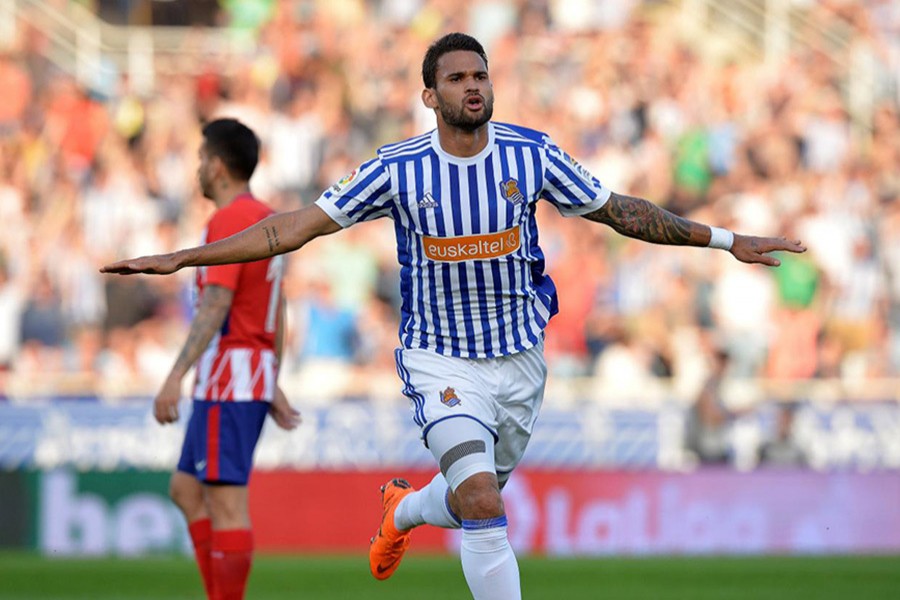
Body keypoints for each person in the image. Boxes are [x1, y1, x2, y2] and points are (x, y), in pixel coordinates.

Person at [102, 33, 805, 600]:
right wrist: (185, 256)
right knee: (479, 499)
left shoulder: (531, 155)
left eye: (481, 75)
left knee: (477, 497)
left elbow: (623, 212)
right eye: (459, 78)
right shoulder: (397, 168)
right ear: (429, 95)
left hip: (520, 360)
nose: (474, 86)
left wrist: (724, 239)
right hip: (440, 360)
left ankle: (402, 511)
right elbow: (294, 227)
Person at [148, 118, 301, 600]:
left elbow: (217, 304)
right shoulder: (266, 216)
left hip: (230, 376)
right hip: (244, 375)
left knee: (226, 505)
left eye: (199, 158)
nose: (196, 168)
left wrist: (174, 376)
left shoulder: (230, 220)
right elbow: (276, 308)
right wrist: (271, 380)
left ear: (216, 166)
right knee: (186, 489)